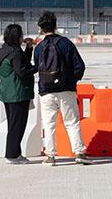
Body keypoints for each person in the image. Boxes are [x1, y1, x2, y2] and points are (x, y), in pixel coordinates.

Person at [33, 11, 91, 165]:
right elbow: (80, 66)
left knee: (49, 123)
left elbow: (37, 68)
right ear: (56, 25)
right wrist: (71, 81)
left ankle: (51, 156)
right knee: (72, 122)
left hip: (46, 91)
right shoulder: (65, 43)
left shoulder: (38, 48)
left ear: (41, 28)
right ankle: (79, 152)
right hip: (66, 90)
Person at [0, 23, 36, 164]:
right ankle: (13, 155)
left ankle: (14, 153)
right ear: (17, 37)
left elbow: (20, 63)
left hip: (7, 92)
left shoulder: (4, 50)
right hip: (17, 93)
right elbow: (22, 71)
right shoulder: (16, 53)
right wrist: (38, 68)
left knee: (13, 124)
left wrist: (29, 49)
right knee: (17, 125)